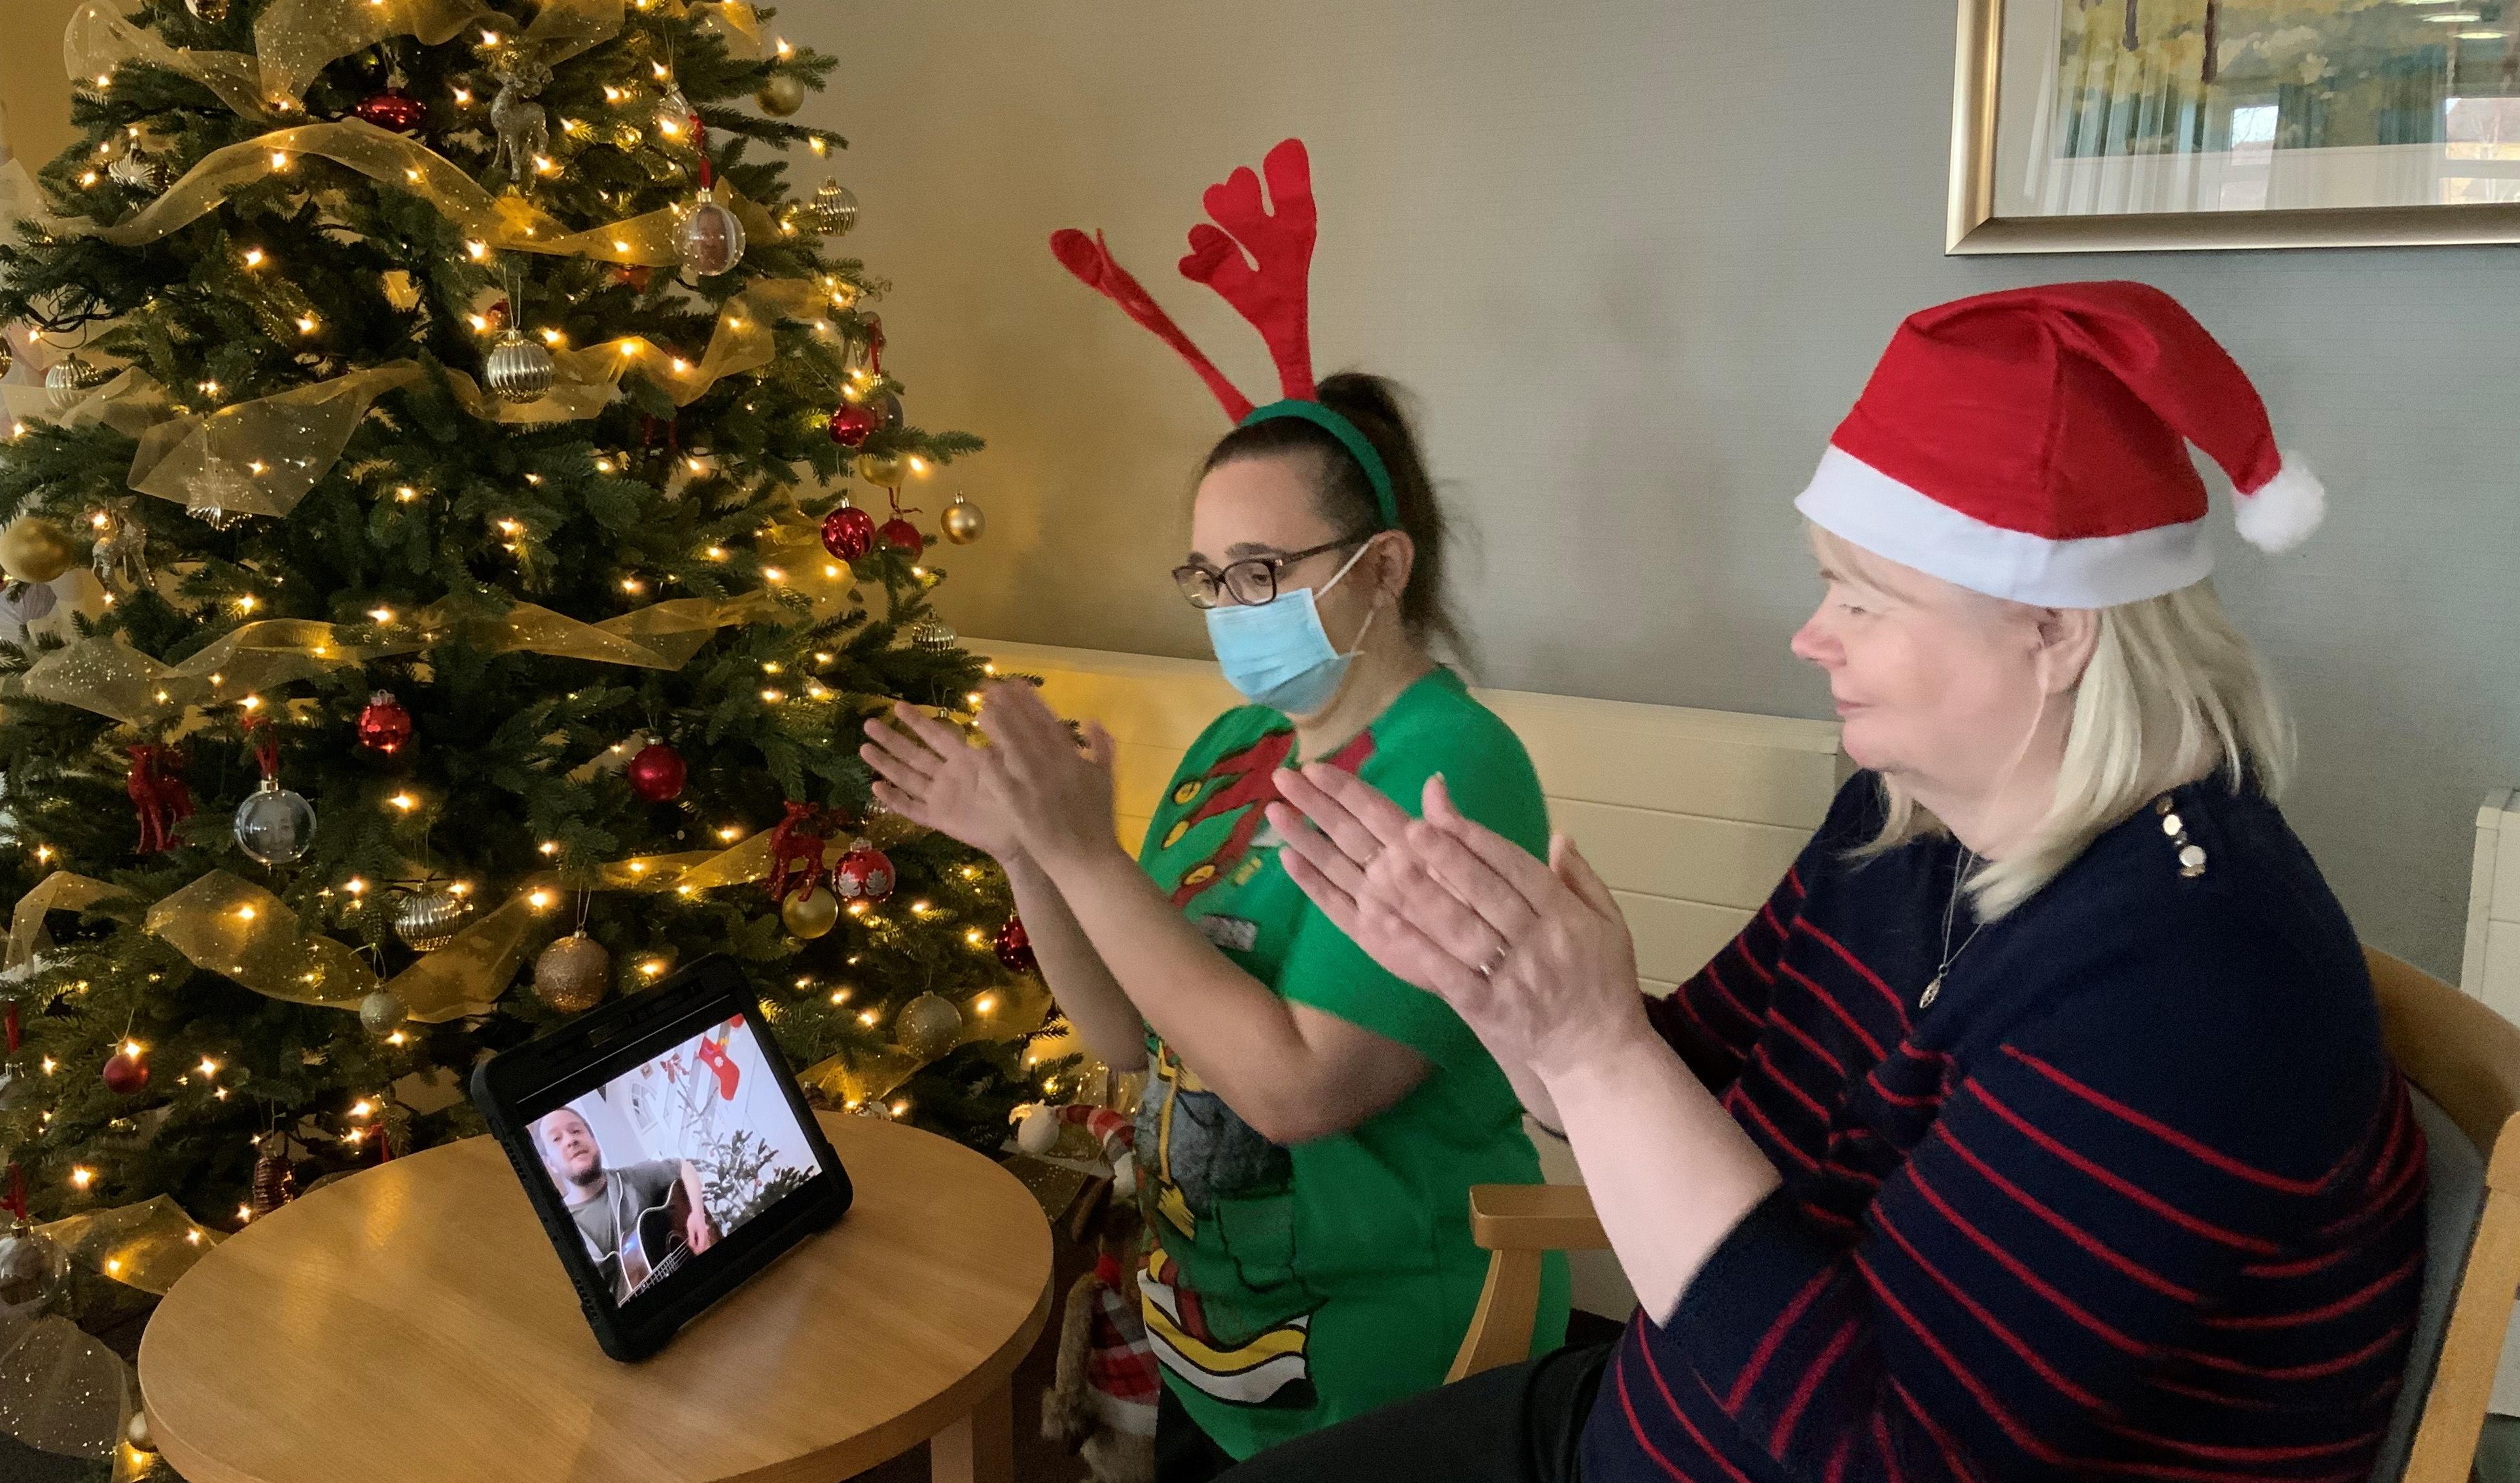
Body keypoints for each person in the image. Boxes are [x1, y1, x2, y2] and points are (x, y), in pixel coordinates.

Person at [1243, 281, 2427, 1483]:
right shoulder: (1910, 816)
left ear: (2055, 629)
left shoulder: (2198, 985)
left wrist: (1596, 1050)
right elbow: (1687, 1076)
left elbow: (1883, 1458)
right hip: (1655, 1421)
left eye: (1865, 596)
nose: (1814, 636)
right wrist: (1503, 999)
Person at [860, 139, 1565, 1480]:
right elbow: (1128, 1031)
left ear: (1378, 568)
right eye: (1207, 570)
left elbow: (1297, 1086)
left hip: (1386, 1355)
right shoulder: (1235, 745)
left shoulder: (1454, 766)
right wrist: (1028, 852)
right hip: (1216, 1337)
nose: (1226, 604)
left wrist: (1080, 846)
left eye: (1260, 567)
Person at [535, 1107, 716, 1299]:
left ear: (594, 1139)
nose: (571, 1140)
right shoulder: (556, 1233)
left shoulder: (633, 1179)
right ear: (550, 1164)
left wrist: (698, 1214)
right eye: (557, 1139)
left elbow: (684, 1168)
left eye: (576, 1131)